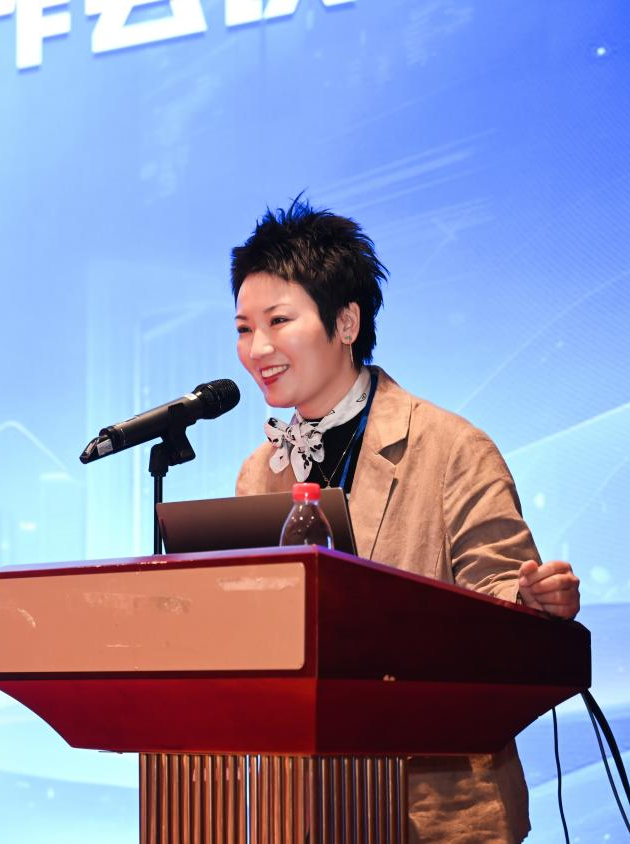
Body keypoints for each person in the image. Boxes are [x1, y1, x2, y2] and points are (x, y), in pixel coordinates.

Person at [231, 199, 581, 842]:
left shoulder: (451, 446)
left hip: (438, 807)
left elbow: (499, 591)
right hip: (304, 806)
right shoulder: (260, 471)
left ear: (345, 321)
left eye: (278, 321)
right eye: (244, 328)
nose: (257, 349)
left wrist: (530, 601)